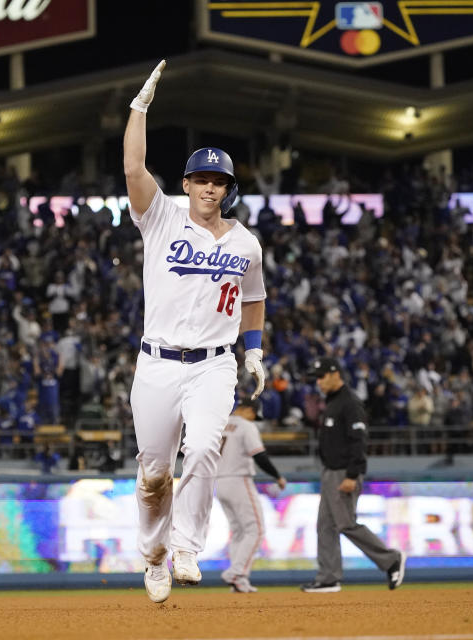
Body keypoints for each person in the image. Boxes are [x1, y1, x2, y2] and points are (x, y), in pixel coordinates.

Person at [124, 59, 267, 604]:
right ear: (186, 183)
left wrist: (252, 353)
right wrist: (139, 109)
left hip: (213, 363)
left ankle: (186, 546)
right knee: (154, 475)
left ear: (228, 188)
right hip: (157, 363)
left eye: (219, 180)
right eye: (202, 178)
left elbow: (254, 299)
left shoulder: (246, 243)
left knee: (206, 446)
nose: (210, 187)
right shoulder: (161, 217)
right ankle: (153, 554)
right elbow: (135, 167)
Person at [301, 357, 406, 593]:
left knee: (346, 524)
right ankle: (328, 577)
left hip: (343, 473)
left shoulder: (349, 403)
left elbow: (359, 441)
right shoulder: (333, 402)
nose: (318, 382)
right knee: (325, 526)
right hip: (330, 473)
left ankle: (391, 559)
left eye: (321, 376)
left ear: (335, 374)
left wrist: (353, 474)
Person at [216, 398, 286, 593]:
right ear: (247, 410)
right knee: (256, 530)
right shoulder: (246, 426)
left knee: (238, 531)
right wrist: (277, 476)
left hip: (219, 481)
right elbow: (259, 455)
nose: (255, 418)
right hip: (239, 479)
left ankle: (240, 581)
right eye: (254, 414)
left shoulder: (220, 424)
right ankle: (236, 572)